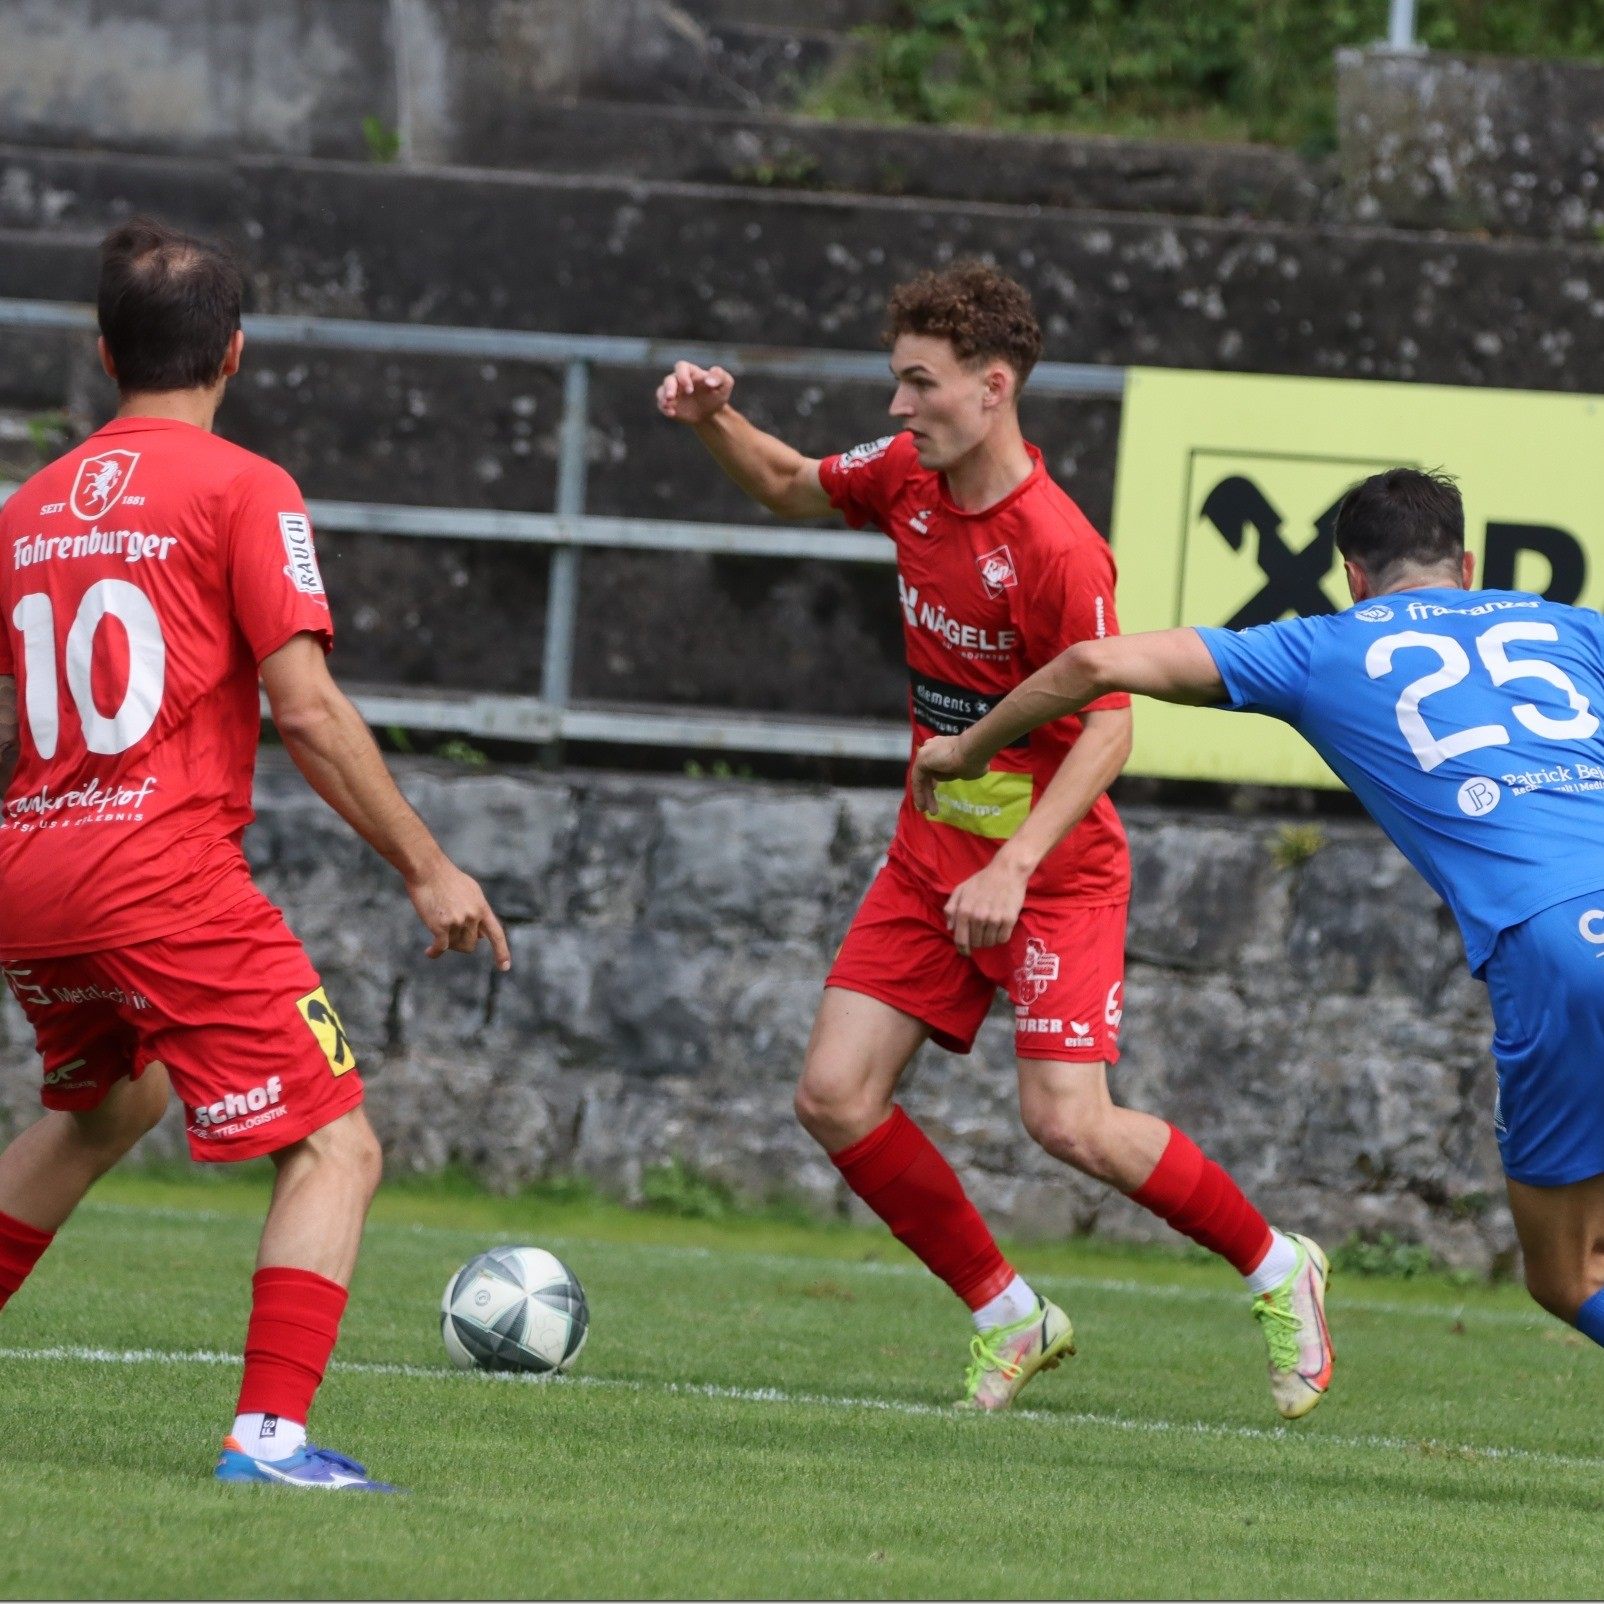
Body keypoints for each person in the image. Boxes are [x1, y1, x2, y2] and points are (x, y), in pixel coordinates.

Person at [656, 262, 1332, 1416]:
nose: (896, 407)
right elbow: (782, 483)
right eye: (894, 381)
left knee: (1066, 1119)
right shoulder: (903, 480)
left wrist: (1017, 866)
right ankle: (1006, 1311)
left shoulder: (1057, 546)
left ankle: (1279, 1267)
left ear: (992, 387)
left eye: (918, 384)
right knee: (832, 1094)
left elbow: (1108, 730)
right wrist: (714, 416)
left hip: (1052, 870)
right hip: (931, 854)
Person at [0, 218, 510, 1492]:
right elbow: (308, 708)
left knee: (106, 1104)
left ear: (106, 351)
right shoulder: (243, 486)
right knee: (337, 1141)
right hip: (157, 871)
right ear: (234, 351)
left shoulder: (27, 506)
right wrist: (426, 865)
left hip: (34, 868)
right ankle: (269, 1438)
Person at [913, 465, 1604, 1354]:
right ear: (1467, 563)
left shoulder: (1324, 646)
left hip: (1555, 952)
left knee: (1567, 1275)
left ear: (1352, 575)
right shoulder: (1572, 628)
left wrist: (967, 750)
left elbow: (1092, 663)